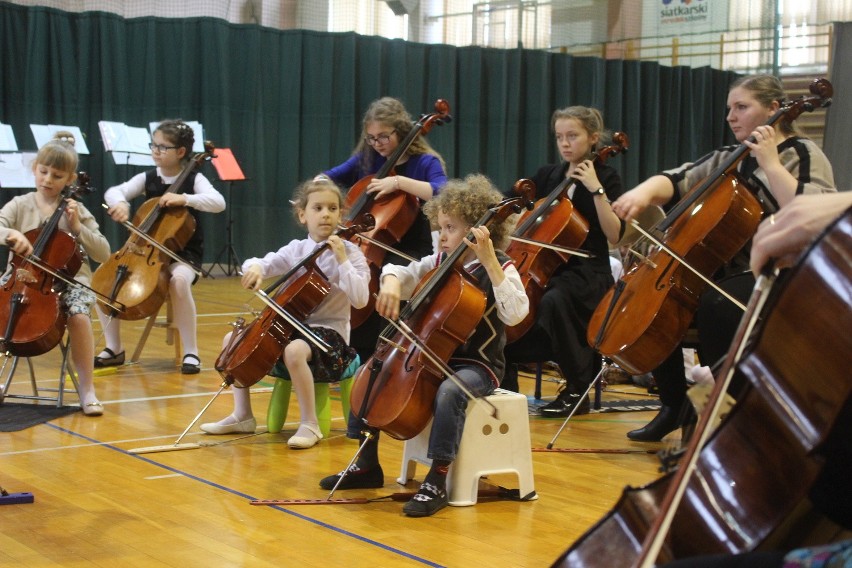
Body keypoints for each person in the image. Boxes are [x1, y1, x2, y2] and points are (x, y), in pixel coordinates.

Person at [611, 74, 836, 441]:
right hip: (726, 274)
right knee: (658, 304)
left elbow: (810, 212)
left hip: (783, 274)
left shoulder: (804, 155)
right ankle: (674, 406)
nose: (731, 116)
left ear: (774, 109)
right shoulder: (728, 158)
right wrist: (642, 193)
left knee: (718, 305)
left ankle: (727, 420)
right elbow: (676, 178)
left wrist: (772, 164)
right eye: (729, 108)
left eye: (742, 107)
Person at [318, 174, 529, 517]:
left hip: (478, 365)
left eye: (451, 228)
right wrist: (388, 283)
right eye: (441, 227)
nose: (443, 236)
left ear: (478, 231)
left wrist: (491, 263)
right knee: (374, 368)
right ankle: (366, 462)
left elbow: (516, 314)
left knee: (449, 392)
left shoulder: (500, 266)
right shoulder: (438, 263)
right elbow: (400, 272)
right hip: (430, 357)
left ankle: (438, 479)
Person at [200, 177, 370, 449]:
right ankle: (242, 415)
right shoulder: (297, 249)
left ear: (341, 214)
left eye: (332, 208)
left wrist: (342, 260)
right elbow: (262, 263)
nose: (326, 214)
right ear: (303, 215)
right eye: (318, 208)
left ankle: (310, 423)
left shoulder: (351, 253)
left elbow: (361, 299)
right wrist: (253, 269)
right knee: (232, 341)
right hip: (293, 328)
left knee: (294, 351)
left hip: (331, 338)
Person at [501, 106, 625, 417]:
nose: (565, 143)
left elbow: (615, 235)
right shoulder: (549, 175)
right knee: (504, 295)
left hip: (588, 273)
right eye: (559, 137)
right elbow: (511, 199)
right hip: (548, 267)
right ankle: (504, 382)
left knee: (555, 300)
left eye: (573, 136)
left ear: (593, 138)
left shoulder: (607, 177)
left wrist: (595, 188)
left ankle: (577, 388)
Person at [323, 96, 448, 365]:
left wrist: (399, 182)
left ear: (400, 130)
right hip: (371, 242)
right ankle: (341, 349)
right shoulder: (367, 159)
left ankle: (378, 358)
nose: (377, 144)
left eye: (383, 137)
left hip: (410, 248)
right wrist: (319, 186)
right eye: (371, 138)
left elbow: (442, 190)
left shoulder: (424, 162)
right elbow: (331, 176)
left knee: (382, 277)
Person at [94, 119, 225, 374]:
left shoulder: (194, 180)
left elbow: (218, 202)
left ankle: (191, 352)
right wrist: (120, 204)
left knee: (178, 281)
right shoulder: (149, 177)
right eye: (153, 145)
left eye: (162, 147)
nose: (155, 150)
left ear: (180, 152)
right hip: (143, 252)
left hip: (184, 255)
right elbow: (114, 191)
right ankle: (114, 347)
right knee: (106, 279)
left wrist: (184, 198)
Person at [0, 132, 111, 415]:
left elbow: (103, 253)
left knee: (78, 313)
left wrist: (77, 228)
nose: (48, 180)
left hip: (67, 282)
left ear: (70, 179)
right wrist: (11, 234)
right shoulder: (19, 204)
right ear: (35, 167)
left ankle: (87, 391)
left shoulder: (76, 210)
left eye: (57, 176)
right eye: (44, 171)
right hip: (19, 278)